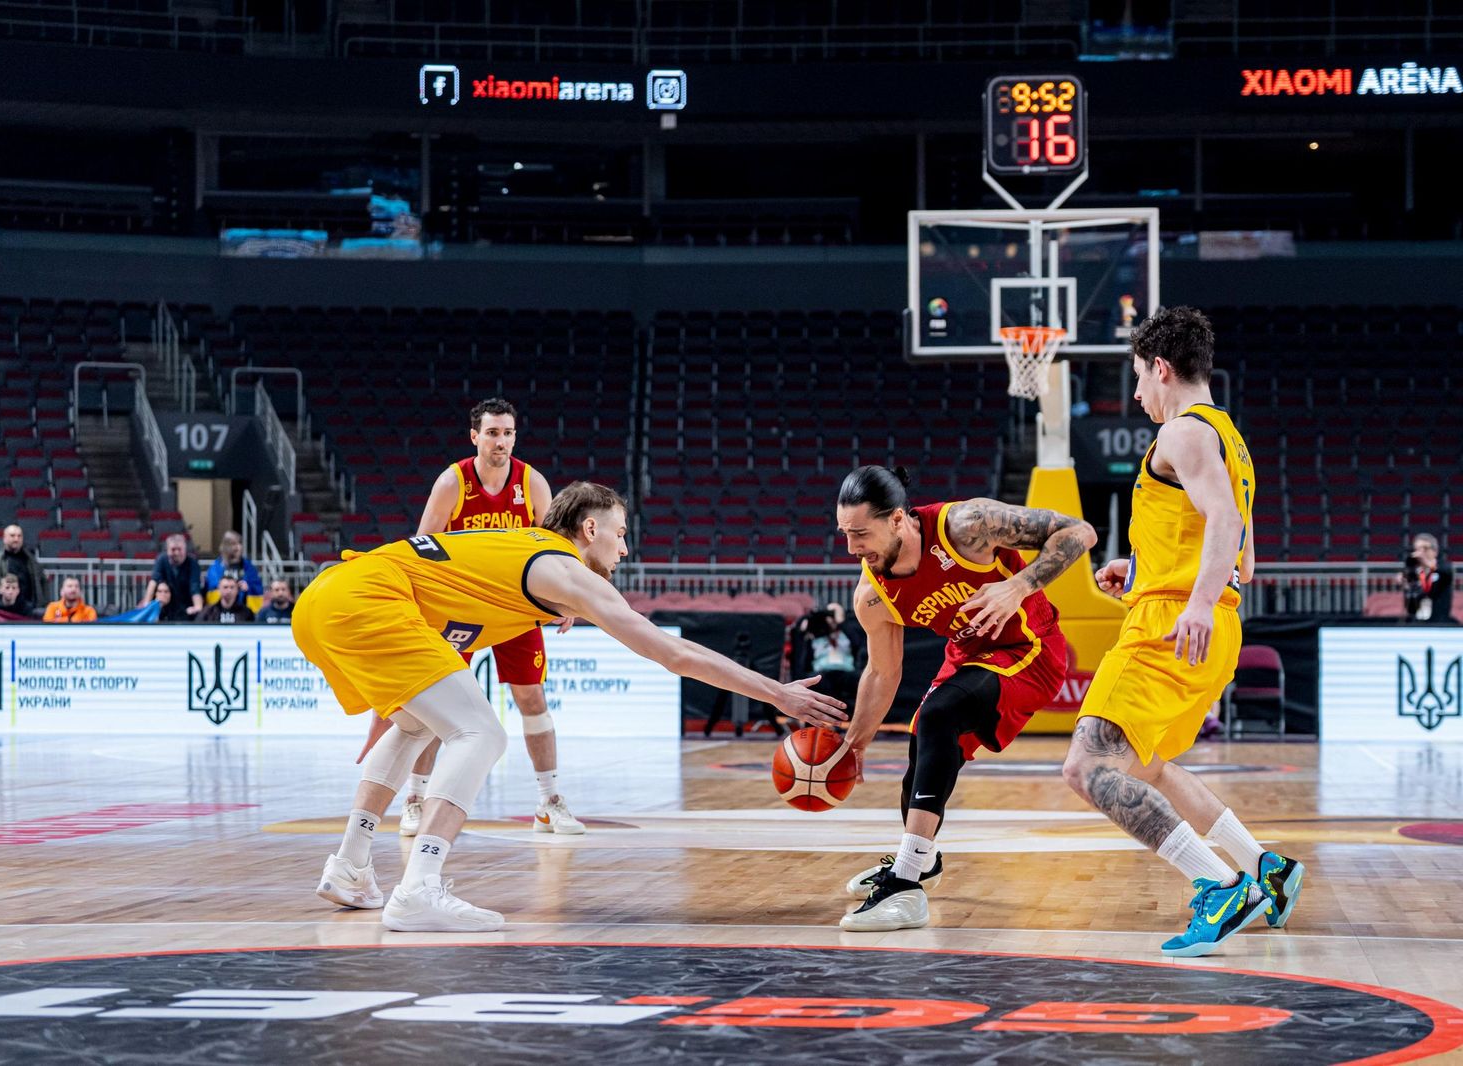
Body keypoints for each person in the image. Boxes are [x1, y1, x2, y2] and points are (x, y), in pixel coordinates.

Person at [297, 481, 846, 931]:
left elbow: (420, 659)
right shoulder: (560, 567)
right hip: (368, 600)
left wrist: (388, 713)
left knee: (419, 725)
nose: (625, 549)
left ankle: (350, 866)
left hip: (329, 596)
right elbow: (673, 653)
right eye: (621, 534)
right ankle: (420, 886)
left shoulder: (511, 560)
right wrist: (779, 693)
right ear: (590, 528)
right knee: (482, 735)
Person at [1060, 306, 1304, 959]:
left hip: (1172, 627)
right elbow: (1243, 558)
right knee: (1150, 767)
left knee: (1086, 768)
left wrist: (1189, 603)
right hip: (1204, 622)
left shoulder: (1182, 435)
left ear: (1162, 368)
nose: (1137, 393)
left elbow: (1222, 523)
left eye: (1139, 377)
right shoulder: (1230, 438)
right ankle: (1266, 871)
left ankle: (1221, 885)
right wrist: (1141, 570)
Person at [835, 465, 1093, 932]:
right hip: (969, 657)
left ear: (897, 520)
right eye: (845, 535)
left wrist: (1018, 586)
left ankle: (906, 885)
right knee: (923, 746)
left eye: (859, 534)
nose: (852, 548)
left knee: (937, 715)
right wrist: (855, 744)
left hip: (1030, 649)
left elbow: (1080, 532)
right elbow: (882, 671)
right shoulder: (872, 595)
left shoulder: (968, 526)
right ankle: (921, 859)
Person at [395, 397, 585, 838]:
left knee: (533, 701)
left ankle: (549, 801)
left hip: (512, 607)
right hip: (460, 607)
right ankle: (415, 799)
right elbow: (422, 550)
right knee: (435, 707)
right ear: (475, 437)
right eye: (493, 432)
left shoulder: (532, 482)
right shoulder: (452, 482)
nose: (501, 441)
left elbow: (555, 548)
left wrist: (568, 600)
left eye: (508, 433)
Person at [0, 525, 48, 618]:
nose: (16, 539)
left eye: (19, 536)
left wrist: (46, 605)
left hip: (29, 611)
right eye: (12, 536)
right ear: (4, 538)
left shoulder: (31, 560)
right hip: (4, 611)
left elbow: (43, 583)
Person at [145, 533, 202, 618]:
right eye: (173, 549)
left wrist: (198, 607)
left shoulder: (192, 562)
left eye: (180, 549)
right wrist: (147, 604)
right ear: (167, 550)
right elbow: (154, 581)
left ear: (185, 550)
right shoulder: (161, 559)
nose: (177, 553)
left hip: (185, 605)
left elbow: (195, 586)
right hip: (166, 606)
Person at [1403, 532, 1453, 623]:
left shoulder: (1443, 567)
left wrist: (1427, 563)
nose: (1420, 553)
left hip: (1439, 623)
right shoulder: (1414, 572)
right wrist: (1407, 586)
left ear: (1435, 551)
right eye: (1417, 549)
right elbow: (1410, 605)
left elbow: (1446, 573)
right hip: (1417, 624)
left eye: (1425, 549)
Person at [205, 530, 263, 603]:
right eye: (234, 544)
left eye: (240, 543)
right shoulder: (216, 568)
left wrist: (248, 587)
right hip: (221, 610)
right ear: (225, 546)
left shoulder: (248, 567)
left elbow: (257, 588)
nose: (239, 547)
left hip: (243, 610)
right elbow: (212, 588)